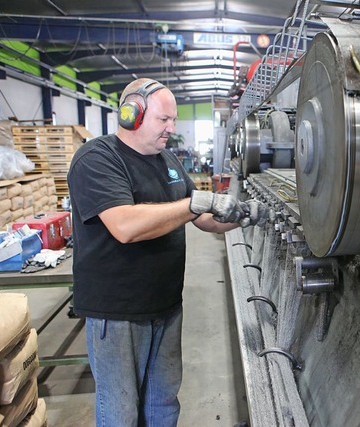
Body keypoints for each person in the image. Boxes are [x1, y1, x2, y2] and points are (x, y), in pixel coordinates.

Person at [67, 78, 269, 426]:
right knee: (120, 411)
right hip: (116, 313)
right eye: (164, 120)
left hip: (165, 305)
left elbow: (203, 218)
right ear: (132, 114)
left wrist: (245, 216)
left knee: (163, 403)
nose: (172, 129)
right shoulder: (98, 158)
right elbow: (125, 226)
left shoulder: (168, 162)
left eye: (173, 120)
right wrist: (194, 204)